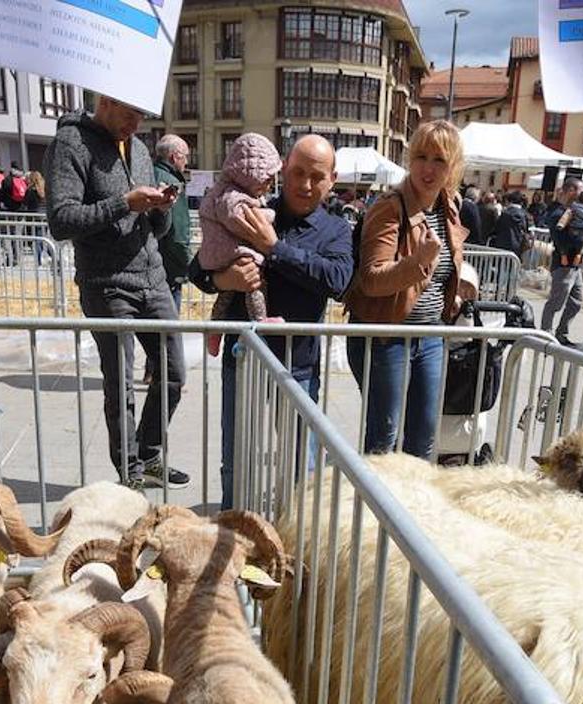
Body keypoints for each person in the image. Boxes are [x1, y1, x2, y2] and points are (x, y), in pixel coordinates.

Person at [187, 134, 351, 506]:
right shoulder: (249, 205)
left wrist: (273, 249)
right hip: (242, 358)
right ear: (283, 170)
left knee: (301, 464)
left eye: (316, 176)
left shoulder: (336, 229)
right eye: (297, 172)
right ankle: (232, 529)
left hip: (299, 366)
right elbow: (198, 266)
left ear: (332, 180)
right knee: (236, 458)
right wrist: (221, 280)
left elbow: (338, 281)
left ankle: (298, 539)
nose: (305, 184)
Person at [46, 94, 186, 489]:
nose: (136, 123)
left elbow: (152, 230)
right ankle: (131, 473)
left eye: (141, 114)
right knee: (120, 383)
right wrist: (124, 202)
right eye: (130, 113)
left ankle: (148, 452)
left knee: (174, 372)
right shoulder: (71, 143)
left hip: (153, 278)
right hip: (106, 284)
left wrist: (158, 210)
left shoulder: (139, 149)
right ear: (105, 101)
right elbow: (61, 220)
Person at [346, 119, 469, 460]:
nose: (427, 168)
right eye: (421, 156)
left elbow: (443, 267)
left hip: (430, 335)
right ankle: (371, 510)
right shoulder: (390, 206)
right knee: (382, 439)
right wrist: (418, 262)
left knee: (424, 435)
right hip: (386, 336)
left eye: (439, 160)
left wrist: (454, 292)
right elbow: (372, 279)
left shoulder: (448, 207)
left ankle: (411, 508)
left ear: (453, 167)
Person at [199, 133, 285, 357]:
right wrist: (268, 216)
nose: (269, 186)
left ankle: (215, 331)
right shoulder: (233, 195)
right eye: (267, 179)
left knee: (227, 293)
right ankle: (260, 320)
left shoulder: (230, 190)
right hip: (228, 250)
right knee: (253, 280)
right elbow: (238, 218)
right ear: (250, 175)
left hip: (220, 251)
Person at [541, 177, 583, 346]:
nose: (582, 193)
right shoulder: (558, 212)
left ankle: (562, 333)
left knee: (577, 302)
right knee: (556, 302)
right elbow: (558, 235)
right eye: (579, 190)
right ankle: (545, 333)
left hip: (576, 262)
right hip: (564, 262)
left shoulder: (577, 210)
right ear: (570, 191)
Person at [153, 134, 191, 315]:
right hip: (169, 267)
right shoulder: (173, 183)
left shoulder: (147, 172)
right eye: (185, 156)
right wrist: (188, 265)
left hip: (148, 264)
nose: (186, 162)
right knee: (169, 334)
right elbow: (178, 232)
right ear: (174, 157)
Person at [489, 189, 532, 257]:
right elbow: (527, 229)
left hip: (502, 244)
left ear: (510, 201)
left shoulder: (505, 213)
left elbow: (497, 228)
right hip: (517, 245)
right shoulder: (524, 215)